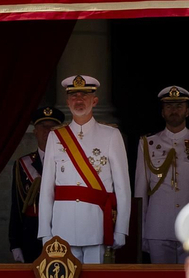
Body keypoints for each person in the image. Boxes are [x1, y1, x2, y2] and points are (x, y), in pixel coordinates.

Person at [38, 74, 131, 263]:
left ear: (94, 101)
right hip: (62, 226)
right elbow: (47, 189)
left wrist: (121, 228)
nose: (78, 100)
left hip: (95, 225)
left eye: (84, 96)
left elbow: (122, 187)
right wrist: (45, 231)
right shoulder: (57, 137)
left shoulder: (111, 135)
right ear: (67, 101)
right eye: (73, 96)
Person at [135, 85, 189, 263]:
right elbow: (140, 192)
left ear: (187, 111)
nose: (174, 110)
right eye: (169, 106)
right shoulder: (148, 143)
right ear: (162, 112)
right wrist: (141, 232)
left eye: (179, 106)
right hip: (158, 227)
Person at [8, 105, 61, 263]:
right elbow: (17, 206)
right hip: (32, 234)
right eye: (42, 127)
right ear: (35, 131)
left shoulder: (69, 163)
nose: (48, 131)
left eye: (53, 128)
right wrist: (15, 244)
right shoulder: (23, 164)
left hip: (62, 232)